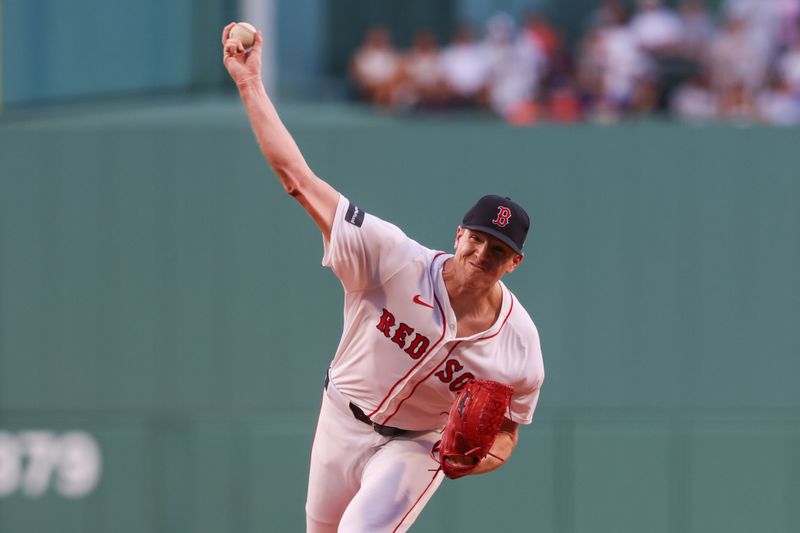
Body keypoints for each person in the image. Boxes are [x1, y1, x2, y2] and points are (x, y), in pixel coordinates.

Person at [222, 23, 545, 532]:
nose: (482, 252)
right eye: (478, 238)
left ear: (514, 263)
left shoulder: (519, 345)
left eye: (498, 249)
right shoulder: (392, 257)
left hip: (417, 447)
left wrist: (478, 459)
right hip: (341, 417)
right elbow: (298, 179)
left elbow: (507, 433)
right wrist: (249, 84)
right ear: (459, 235)